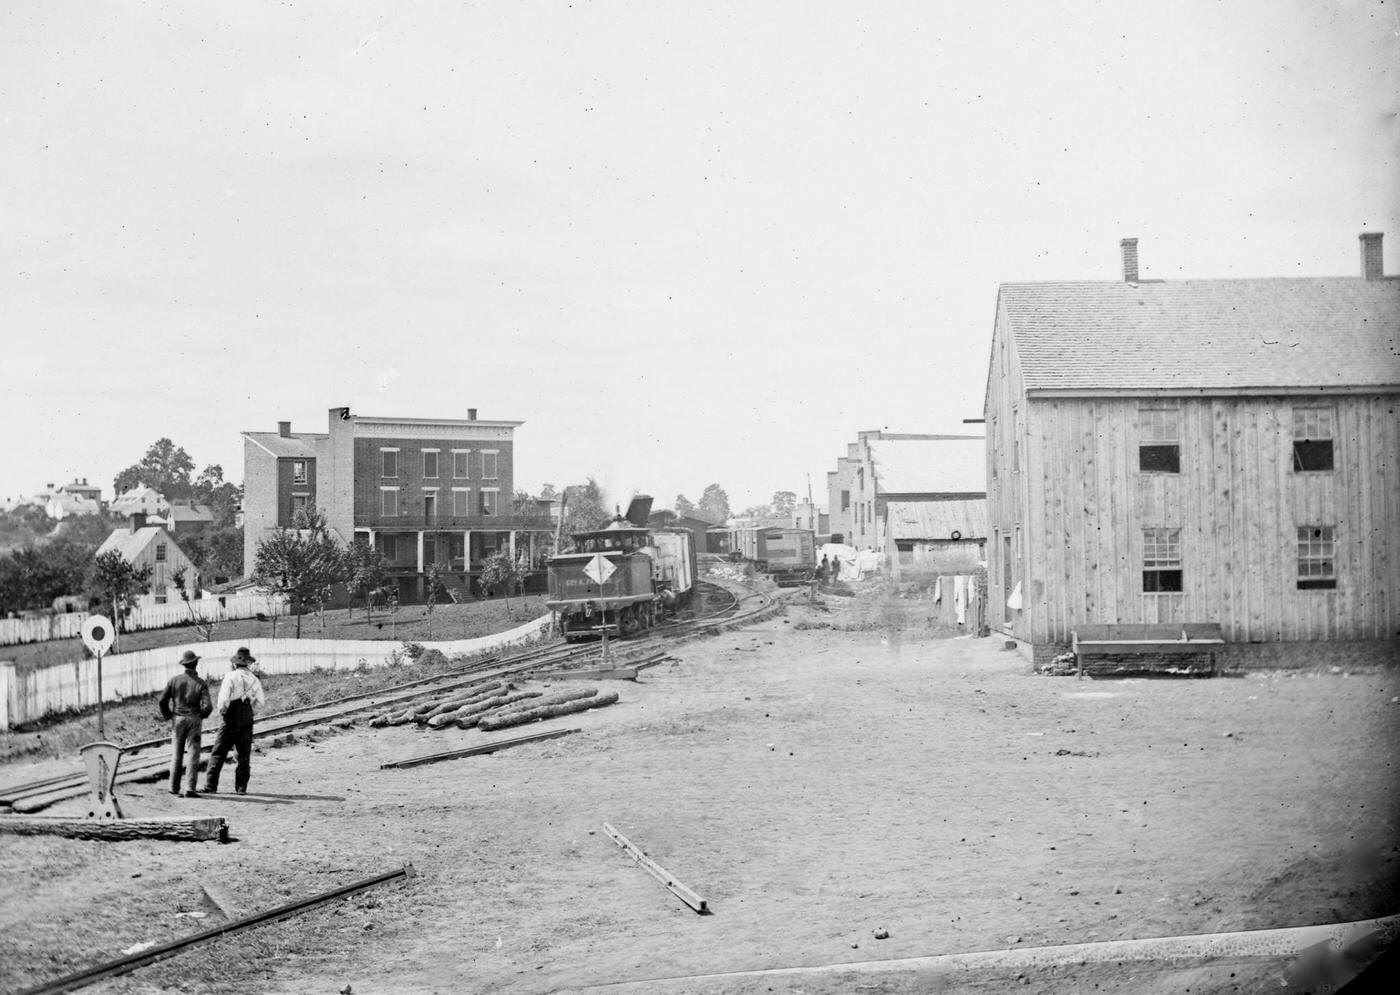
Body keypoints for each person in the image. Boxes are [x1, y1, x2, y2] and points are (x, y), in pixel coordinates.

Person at [204, 647, 266, 795]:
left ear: (235, 664)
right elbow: (261, 702)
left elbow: (223, 700)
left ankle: (211, 785)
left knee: (219, 751)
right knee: (244, 753)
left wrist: (223, 711)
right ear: (248, 664)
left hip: (231, 714)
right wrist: (250, 711)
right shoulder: (254, 679)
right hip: (246, 714)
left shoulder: (230, 676)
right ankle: (241, 788)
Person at [158, 650, 212, 798]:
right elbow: (208, 706)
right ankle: (189, 788)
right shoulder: (200, 683)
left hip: (178, 719)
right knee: (193, 754)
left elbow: (162, 701)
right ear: (196, 664)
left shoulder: (174, 680)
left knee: (176, 754)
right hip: (194, 719)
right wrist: (201, 715)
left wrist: (168, 715)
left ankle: (173, 787)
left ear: (184, 665)